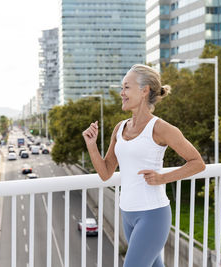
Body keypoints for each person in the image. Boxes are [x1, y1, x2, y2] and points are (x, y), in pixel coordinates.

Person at [82, 64, 206, 267]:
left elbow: (198, 163)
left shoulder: (161, 128)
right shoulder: (119, 128)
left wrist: (162, 178)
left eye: (126, 87)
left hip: (152, 215)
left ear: (144, 90)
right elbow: (105, 173)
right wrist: (91, 145)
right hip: (127, 214)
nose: (121, 93)